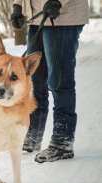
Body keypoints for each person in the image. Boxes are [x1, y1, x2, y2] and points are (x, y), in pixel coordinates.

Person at [11, 0, 89, 163]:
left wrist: (58, 1)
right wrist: (18, 6)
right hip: (36, 16)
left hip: (62, 16)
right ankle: (33, 134)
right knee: (35, 77)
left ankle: (62, 141)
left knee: (59, 79)